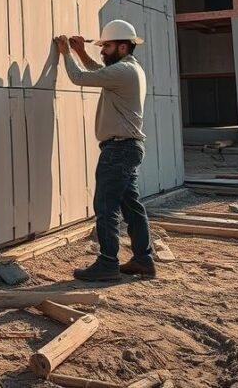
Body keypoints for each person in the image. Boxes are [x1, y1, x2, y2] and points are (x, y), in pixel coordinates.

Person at [55, 19, 155, 282]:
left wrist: (65, 52)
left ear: (123, 47)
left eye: (107, 46)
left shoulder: (123, 72)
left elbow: (80, 78)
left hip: (118, 150)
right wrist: (81, 52)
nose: (102, 50)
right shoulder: (129, 69)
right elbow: (100, 72)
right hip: (128, 148)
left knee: (105, 205)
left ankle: (108, 263)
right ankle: (144, 260)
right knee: (131, 206)